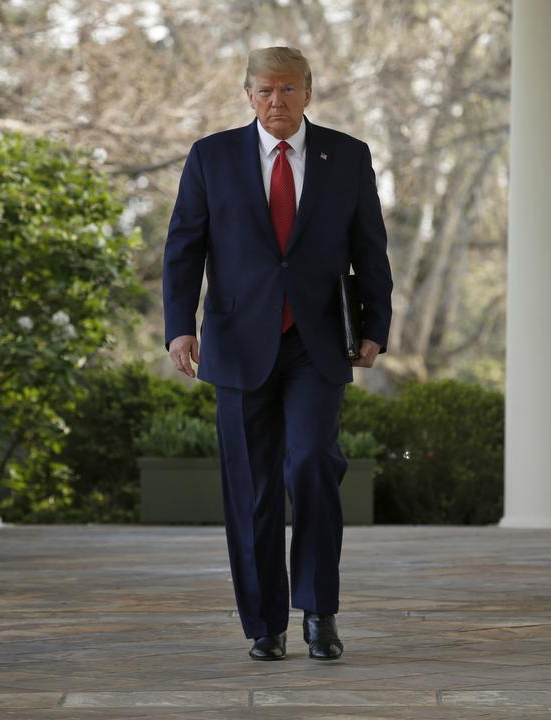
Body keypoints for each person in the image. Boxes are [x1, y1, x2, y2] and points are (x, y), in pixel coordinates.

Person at [162, 46, 393, 661]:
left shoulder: (347, 156)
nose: (275, 102)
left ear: (309, 92)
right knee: (252, 487)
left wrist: (376, 323)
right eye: (264, 91)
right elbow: (183, 246)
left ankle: (319, 611)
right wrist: (179, 327)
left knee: (314, 464)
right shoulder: (210, 158)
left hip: (316, 343)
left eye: (287, 90)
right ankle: (264, 623)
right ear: (248, 95)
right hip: (238, 346)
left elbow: (371, 248)